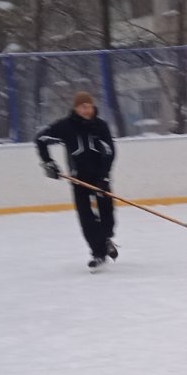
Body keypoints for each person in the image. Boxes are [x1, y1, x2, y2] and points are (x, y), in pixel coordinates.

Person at [37, 90, 118, 272]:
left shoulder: (100, 126)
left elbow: (110, 151)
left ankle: (105, 238)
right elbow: (40, 139)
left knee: (107, 217)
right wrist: (48, 163)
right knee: (86, 219)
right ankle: (98, 253)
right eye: (82, 107)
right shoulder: (66, 126)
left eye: (88, 106)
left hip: (99, 178)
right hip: (78, 179)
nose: (86, 110)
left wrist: (104, 176)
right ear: (76, 108)